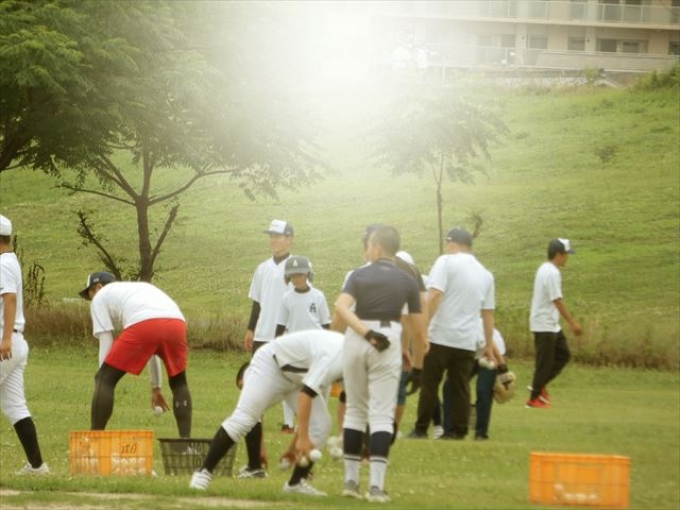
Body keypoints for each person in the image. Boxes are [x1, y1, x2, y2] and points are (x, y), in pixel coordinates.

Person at [190, 329, 345, 497]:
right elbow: (305, 396)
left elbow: (345, 402)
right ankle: (203, 473)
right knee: (244, 419)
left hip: (298, 378)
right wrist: (303, 440)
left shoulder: (354, 362)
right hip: (271, 366)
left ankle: (295, 484)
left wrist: (295, 446)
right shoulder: (336, 357)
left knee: (321, 424)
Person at [335, 225, 428, 503]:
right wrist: (418, 363)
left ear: (376, 247)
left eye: (368, 245)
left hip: (356, 338)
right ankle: (376, 487)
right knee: (381, 415)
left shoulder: (357, 275)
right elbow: (419, 330)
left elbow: (340, 308)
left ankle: (350, 482)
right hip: (388, 338)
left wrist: (365, 333)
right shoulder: (408, 280)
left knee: (354, 410)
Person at [408, 227, 498, 440]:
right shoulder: (486, 275)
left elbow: (435, 295)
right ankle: (458, 431)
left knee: (430, 384)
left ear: (453, 244)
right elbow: (488, 313)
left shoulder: (446, 261)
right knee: (461, 387)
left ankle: (421, 429)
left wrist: (424, 329)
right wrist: (488, 345)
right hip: (466, 340)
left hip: (440, 335)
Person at [79, 272, 192, 437]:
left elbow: (106, 341)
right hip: (177, 322)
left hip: (145, 324)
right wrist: (156, 388)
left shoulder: (100, 296)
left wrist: (103, 380)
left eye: (90, 294)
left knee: (104, 378)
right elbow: (151, 345)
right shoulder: (137, 291)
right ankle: (185, 445)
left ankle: (96, 441)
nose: (91, 300)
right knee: (179, 383)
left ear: (98, 287)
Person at [0, 215, 50, 475]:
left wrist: (5, 337)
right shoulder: (10, 261)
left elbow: (9, 299)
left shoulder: (2, 264)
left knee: (16, 406)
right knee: (15, 406)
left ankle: (37, 465)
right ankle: (37, 466)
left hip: (5, 341)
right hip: (15, 342)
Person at [244, 219, 296, 438]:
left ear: (289, 239)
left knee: (289, 378)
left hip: (287, 332)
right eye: (271, 236)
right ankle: (255, 420)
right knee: (257, 378)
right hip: (262, 332)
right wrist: (250, 329)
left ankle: (289, 423)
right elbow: (257, 302)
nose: (273, 240)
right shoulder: (262, 268)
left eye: (278, 236)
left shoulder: (297, 266)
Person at [527, 238, 582, 408]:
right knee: (544, 363)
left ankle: (539, 385)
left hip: (550, 324)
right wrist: (573, 323)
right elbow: (557, 300)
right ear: (558, 255)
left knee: (563, 355)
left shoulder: (545, 268)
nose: (567, 258)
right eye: (566, 254)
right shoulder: (551, 273)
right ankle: (533, 399)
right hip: (544, 324)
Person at [275, 255, 331, 336]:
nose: (297, 279)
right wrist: (276, 343)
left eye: (300, 275)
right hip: (295, 340)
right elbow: (281, 325)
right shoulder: (286, 298)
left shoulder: (318, 296)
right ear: (288, 277)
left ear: (308, 274)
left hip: (315, 339)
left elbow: (325, 323)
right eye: (293, 276)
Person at [470, 323, 507, 440]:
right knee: (451, 386)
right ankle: (451, 429)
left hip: (493, 351)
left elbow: (488, 341)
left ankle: (481, 434)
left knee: (483, 390)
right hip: (471, 353)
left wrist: (502, 366)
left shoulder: (472, 324)